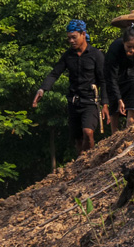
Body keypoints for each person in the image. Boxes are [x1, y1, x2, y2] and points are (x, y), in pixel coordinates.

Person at [32, 20, 110, 154]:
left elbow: (104, 80)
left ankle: (88, 160)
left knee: (88, 132)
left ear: (83, 34)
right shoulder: (68, 56)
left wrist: (105, 104)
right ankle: (80, 164)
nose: (71, 41)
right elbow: (54, 73)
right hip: (74, 102)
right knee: (77, 138)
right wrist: (42, 89)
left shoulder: (96, 55)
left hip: (90, 102)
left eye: (74, 37)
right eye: (69, 38)